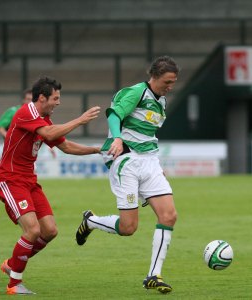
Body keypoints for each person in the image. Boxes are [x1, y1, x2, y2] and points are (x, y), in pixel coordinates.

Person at [75, 56, 179, 294]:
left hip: (150, 162)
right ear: (154, 77)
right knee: (128, 227)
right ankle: (91, 221)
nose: (170, 86)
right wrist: (117, 137)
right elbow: (114, 115)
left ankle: (154, 275)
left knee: (169, 216)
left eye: (173, 82)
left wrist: (155, 162)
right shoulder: (136, 93)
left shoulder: (161, 100)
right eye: (167, 81)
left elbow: (147, 134)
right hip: (127, 161)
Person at [0, 76, 101, 295]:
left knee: (50, 231)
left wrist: (97, 150)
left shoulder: (44, 120)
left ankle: (12, 264)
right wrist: (80, 120)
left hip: (29, 181)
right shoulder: (27, 112)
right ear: (42, 98)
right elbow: (49, 134)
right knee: (32, 230)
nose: (58, 102)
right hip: (11, 180)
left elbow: (67, 147)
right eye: (55, 98)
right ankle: (14, 284)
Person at [0, 89, 56, 201]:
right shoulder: (15, 111)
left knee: (17, 173)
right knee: (11, 174)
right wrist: (9, 137)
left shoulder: (36, 115)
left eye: (31, 100)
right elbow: (0, 126)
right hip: (11, 149)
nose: (29, 102)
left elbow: (42, 133)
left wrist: (50, 147)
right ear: (23, 99)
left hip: (25, 150)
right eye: (27, 99)